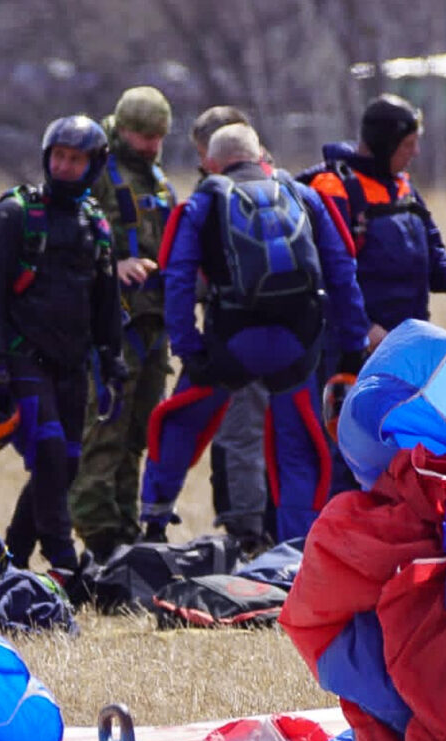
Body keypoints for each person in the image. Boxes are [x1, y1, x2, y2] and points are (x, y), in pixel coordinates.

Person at [140, 123, 368, 542]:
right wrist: (353, 347)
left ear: (210, 163)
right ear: (261, 156)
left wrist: (190, 349)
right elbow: (343, 271)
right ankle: (297, 551)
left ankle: (154, 522)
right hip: (298, 347)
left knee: (181, 424)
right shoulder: (306, 197)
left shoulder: (202, 203)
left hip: (230, 344)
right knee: (297, 448)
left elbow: (177, 278)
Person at [0, 115, 124, 580]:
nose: (64, 166)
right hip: (21, 359)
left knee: (66, 464)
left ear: (94, 165)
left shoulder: (95, 224)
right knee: (51, 456)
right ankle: (63, 561)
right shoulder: (14, 214)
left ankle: (12, 556)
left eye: (76, 159)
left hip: (72, 365)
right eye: (58, 156)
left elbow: (106, 300)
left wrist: (112, 357)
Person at [68, 87, 177, 562]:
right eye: (143, 135)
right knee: (104, 429)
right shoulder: (95, 172)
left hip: (155, 324)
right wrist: (115, 266)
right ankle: (98, 534)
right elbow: (69, 241)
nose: (151, 145)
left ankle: (127, 530)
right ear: (122, 127)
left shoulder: (156, 177)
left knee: (139, 434)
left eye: (158, 137)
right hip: (110, 322)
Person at [306, 94, 446, 350]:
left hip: (407, 340)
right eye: (407, 144)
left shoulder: (402, 186)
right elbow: (326, 273)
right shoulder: (333, 189)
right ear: (384, 145)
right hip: (355, 349)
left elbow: (433, 251)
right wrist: (364, 329)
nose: (415, 152)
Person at [189, 105, 274, 554]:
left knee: (238, 435)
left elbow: (195, 278)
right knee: (279, 439)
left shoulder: (214, 196)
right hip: (299, 336)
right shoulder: (282, 184)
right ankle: (277, 527)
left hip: (238, 338)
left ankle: (248, 537)